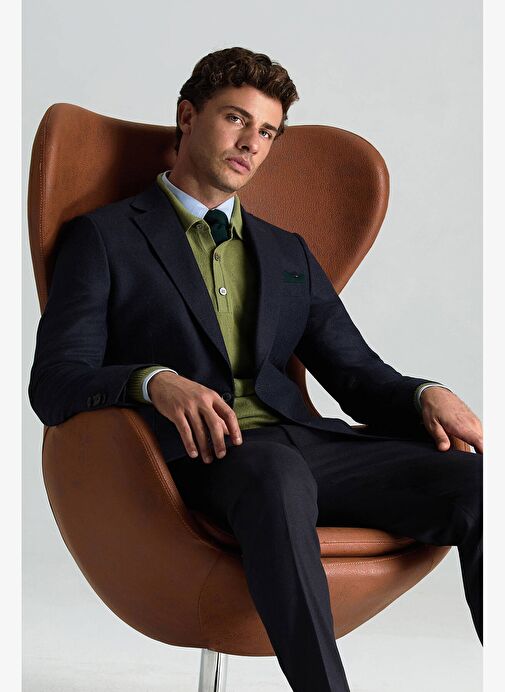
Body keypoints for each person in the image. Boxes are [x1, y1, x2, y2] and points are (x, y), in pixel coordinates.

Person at [28, 47, 483, 692]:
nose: (251, 143)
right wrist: (152, 382)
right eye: (236, 119)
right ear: (188, 116)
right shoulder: (104, 238)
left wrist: (426, 394)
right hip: (196, 458)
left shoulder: (286, 251)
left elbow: (356, 375)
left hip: (305, 447)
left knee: (479, 484)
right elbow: (54, 382)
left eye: (267, 131)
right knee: (276, 473)